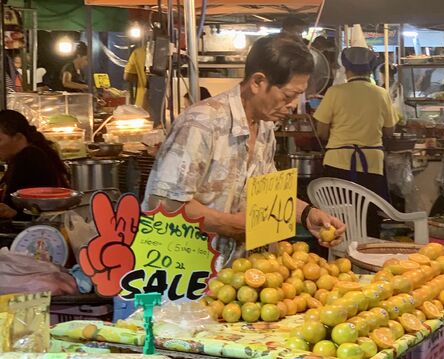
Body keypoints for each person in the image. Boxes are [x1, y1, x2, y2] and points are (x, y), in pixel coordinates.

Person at [143, 34, 346, 267]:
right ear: (258, 82)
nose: (292, 105)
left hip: (236, 277)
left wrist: (306, 213)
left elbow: (267, 192)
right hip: (184, 275)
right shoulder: (202, 123)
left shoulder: (265, 128)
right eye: (288, 95)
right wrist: (233, 225)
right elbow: (163, 203)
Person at [313, 46, 397, 237]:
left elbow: (321, 131)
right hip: (371, 164)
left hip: (337, 161)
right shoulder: (381, 93)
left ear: (346, 68)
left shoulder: (335, 92)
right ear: (370, 69)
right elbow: (390, 131)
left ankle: (338, 254)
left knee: (337, 215)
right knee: (369, 215)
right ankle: (369, 256)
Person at [0, 110, 70, 219]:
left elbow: (29, 210)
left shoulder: (29, 158)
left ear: (18, 137)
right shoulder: (28, 155)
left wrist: (11, 213)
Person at [124, 43, 148, 108]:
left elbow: (127, 77)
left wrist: (142, 77)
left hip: (143, 102)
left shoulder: (138, 52)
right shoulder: (172, 53)